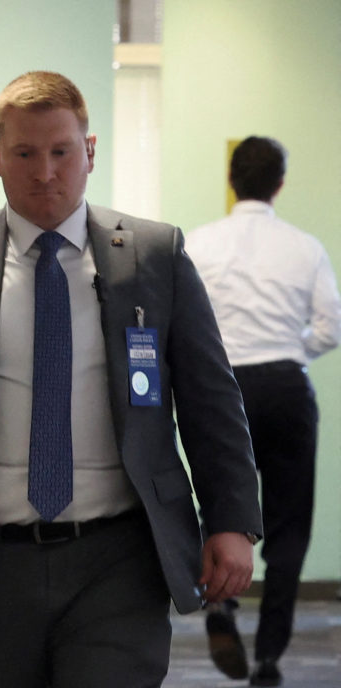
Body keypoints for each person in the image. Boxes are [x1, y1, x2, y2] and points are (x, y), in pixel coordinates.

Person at [0, 70, 263, 688]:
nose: (44, 172)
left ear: (89, 151)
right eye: (24, 154)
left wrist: (231, 518)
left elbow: (212, 401)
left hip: (119, 561)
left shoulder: (153, 256)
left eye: (61, 152)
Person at [187, 136, 341, 687]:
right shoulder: (304, 247)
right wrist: (288, 347)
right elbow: (330, 327)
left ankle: (219, 603)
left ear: (231, 180)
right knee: (289, 524)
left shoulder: (199, 243)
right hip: (285, 386)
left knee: (218, 500)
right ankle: (270, 658)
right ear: (280, 184)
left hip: (222, 388)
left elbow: (185, 322)